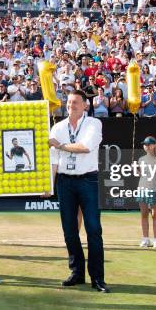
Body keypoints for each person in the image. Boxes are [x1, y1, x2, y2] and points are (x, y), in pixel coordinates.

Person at [49, 90, 109, 293]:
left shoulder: (94, 123)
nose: (71, 105)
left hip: (87, 180)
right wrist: (49, 185)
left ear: (85, 105)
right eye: (68, 102)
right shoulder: (57, 127)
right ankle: (77, 273)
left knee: (93, 229)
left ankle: (98, 278)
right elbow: (54, 160)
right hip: (65, 182)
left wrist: (60, 145)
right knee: (69, 231)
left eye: (75, 102)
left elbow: (85, 147)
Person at [136, 136, 156, 248]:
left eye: (148, 144)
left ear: (154, 146)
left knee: (154, 214)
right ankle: (145, 239)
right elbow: (139, 174)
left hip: (153, 189)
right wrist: (136, 169)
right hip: (142, 189)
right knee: (143, 214)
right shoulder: (141, 159)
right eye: (145, 144)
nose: (146, 146)